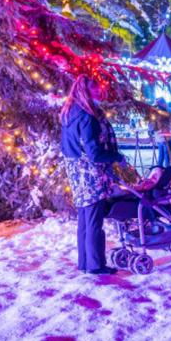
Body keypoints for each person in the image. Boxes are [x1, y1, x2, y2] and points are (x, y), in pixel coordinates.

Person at [59, 75, 127, 275]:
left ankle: (85, 262)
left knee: (84, 218)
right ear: (85, 91)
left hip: (76, 171)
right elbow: (95, 153)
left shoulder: (70, 112)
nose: (99, 92)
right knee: (94, 220)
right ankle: (96, 265)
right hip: (90, 174)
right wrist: (116, 157)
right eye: (95, 89)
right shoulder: (88, 117)